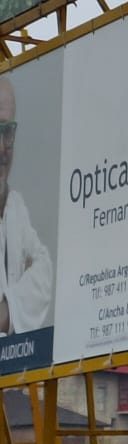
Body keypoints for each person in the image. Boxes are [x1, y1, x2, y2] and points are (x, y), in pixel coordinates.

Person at [0, 76, 51, 337]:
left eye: (7, 131)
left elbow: (44, 268)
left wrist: (7, 311)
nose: (1, 148)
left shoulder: (16, 206)